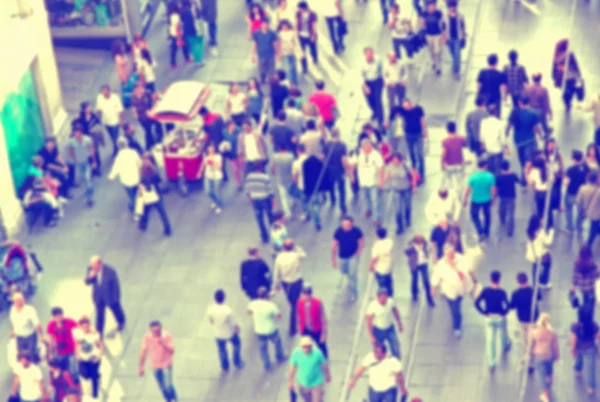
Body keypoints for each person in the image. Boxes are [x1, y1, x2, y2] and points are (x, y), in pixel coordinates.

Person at [431, 244, 474, 338]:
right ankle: (456, 318)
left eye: (451, 253)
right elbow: (436, 276)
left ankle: (457, 327)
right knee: (452, 306)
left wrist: (454, 266)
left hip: (460, 289)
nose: (450, 255)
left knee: (456, 310)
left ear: (454, 252)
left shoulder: (461, 259)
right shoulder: (441, 264)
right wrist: (433, 288)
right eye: (447, 254)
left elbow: (462, 275)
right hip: (448, 290)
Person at [474, 271, 511, 370]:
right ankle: (505, 345)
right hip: (499, 316)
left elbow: (477, 303)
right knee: (503, 331)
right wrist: (503, 313)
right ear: (499, 280)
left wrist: (484, 312)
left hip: (489, 317)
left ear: (490, 279)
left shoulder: (485, 291)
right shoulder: (502, 292)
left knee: (490, 340)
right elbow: (508, 305)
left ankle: (492, 362)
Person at [84, 256, 126, 337]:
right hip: (98, 297)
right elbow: (87, 282)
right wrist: (90, 277)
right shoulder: (91, 270)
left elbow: (115, 286)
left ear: (99, 264)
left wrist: (115, 298)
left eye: (94, 266)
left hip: (110, 296)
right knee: (99, 315)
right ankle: (99, 332)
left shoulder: (110, 272)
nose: (93, 268)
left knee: (116, 310)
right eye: (92, 266)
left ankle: (121, 321)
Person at [248, 287, 286, 370]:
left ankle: (267, 365)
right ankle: (279, 357)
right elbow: (279, 316)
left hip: (259, 330)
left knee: (263, 349)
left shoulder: (252, 304)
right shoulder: (271, 306)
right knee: (277, 343)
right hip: (271, 329)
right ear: (267, 295)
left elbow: (249, 312)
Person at [273, 239, 306, 336]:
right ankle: (294, 325)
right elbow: (304, 255)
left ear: (283, 247)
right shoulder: (296, 256)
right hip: (297, 281)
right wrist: (297, 247)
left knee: (292, 303)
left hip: (286, 283)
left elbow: (276, 271)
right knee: (295, 304)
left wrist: (276, 284)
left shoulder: (279, 258)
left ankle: (293, 325)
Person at [139, 321, 177, 402]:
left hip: (166, 364)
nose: (156, 333)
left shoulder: (166, 336)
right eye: (154, 331)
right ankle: (168, 400)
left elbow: (172, 351)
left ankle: (173, 399)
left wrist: (163, 343)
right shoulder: (147, 337)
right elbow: (143, 351)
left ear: (161, 328)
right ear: (150, 330)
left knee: (168, 385)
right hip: (155, 366)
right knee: (162, 387)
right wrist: (141, 367)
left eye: (158, 330)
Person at [507, 96, 542, 184]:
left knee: (522, 159)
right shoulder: (533, 113)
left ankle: (524, 176)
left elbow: (509, 125)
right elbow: (536, 127)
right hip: (529, 140)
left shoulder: (514, 113)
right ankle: (525, 176)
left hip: (518, 141)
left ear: (520, 102)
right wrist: (540, 135)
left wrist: (506, 133)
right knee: (528, 159)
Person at [510, 272, 540, 373]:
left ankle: (529, 360)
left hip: (522, 320)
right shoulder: (533, 291)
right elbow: (539, 297)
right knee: (531, 340)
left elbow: (512, 306)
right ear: (527, 280)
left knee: (526, 340)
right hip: (533, 319)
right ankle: (531, 360)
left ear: (518, 282)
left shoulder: (516, 293)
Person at [206, 290, 243, 371]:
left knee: (222, 350)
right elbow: (234, 323)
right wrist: (237, 330)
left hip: (218, 333)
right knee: (237, 344)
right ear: (224, 298)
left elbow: (211, 321)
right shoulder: (228, 311)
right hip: (229, 333)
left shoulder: (210, 309)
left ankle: (224, 366)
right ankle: (237, 362)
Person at [393, 98, 428, 182]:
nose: (406, 108)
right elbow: (395, 110)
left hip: (418, 134)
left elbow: (422, 120)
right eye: (405, 106)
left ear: (410, 103)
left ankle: (421, 174)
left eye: (407, 105)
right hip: (408, 135)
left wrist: (425, 130)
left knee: (420, 154)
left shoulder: (418, 109)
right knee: (411, 153)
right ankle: (414, 173)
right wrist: (401, 107)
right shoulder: (404, 111)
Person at [332, 216, 365, 301]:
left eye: (347, 225)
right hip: (342, 256)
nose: (345, 227)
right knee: (344, 271)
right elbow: (334, 245)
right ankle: (348, 277)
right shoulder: (338, 231)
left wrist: (357, 253)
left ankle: (354, 293)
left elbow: (361, 242)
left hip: (353, 256)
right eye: (343, 225)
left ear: (351, 224)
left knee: (352, 274)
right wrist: (333, 259)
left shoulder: (357, 231)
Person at [288, 336, 330, 402]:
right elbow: (292, 369)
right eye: (304, 346)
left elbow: (324, 365)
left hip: (316, 383)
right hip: (303, 384)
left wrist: (328, 375)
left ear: (311, 346)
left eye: (309, 346)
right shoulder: (296, 354)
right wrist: (290, 382)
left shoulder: (317, 353)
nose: (307, 349)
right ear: (301, 346)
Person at [381, 153, 415, 234]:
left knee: (407, 206)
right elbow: (388, 175)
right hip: (396, 189)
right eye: (393, 160)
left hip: (406, 189)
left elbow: (412, 176)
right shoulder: (390, 166)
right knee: (398, 210)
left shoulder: (405, 166)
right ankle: (399, 226)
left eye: (396, 160)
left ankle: (408, 219)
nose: (395, 162)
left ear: (400, 160)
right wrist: (382, 182)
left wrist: (414, 187)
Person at [352, 139, 384, 224]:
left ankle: (377, 217)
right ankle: (368, 209)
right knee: (366, 197)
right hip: (363, 180)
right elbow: (352, 164)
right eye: (366, 147)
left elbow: (380, 167)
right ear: (363, 147)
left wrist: (380, 179)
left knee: (375, 199)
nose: (368, 148)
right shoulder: (358, 153)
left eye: (369, 147)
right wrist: (352, 176)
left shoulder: (376, 154)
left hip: (373, 180)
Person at [463, 159, 496, 241]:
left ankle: (480, 232)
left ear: (478, 166)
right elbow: (493, 189)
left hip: (475, 200)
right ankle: (486, 232)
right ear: (486, 166)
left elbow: (468, 189)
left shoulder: (473, 177)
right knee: (487, 216)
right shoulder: (490, 176)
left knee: (474, 216)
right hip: (486, 199)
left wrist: (465, 199)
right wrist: (493, 199)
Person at [137, 160, 172, 236]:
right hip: (157, 196)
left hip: (147, 199)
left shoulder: (143, 178)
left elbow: (142, 188)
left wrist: (140, 195)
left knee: (145, 212)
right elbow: (160, 181)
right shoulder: (155, 174)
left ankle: (143, 225)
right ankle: (168, 229)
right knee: (162, 213)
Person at [530, 313, 559, 402]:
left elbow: (531, 345)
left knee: (541, 376)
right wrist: (557, 356)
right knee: (549, 370)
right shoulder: (552, 333)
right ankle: (549, 382)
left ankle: (545, 395)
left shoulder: (534, 332)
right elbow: (555, 346)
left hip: (539, 356)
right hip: (549, 355)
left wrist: (531, 354)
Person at [366, 288, 403, 359]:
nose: (384, 299)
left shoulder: (390, 302)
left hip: (390, 329)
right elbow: (369, 321)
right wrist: (371, 336)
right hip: (378, 330)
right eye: (382, 297)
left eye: (385, 296)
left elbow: (395, 311)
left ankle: (396, 362)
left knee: (396, 346)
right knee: (378, 350)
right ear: (378, 297)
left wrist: (399, 323)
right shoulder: (373, 306)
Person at [570, 308, 599, 395]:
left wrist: (573, 349)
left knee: (579, 358)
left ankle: (577, 369)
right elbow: (598, 336)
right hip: (590, 348)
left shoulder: (575, 326)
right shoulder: (594, 325)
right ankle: (590, 387)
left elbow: (573, 339)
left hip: (579, 347)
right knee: (591, 368)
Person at [108, 137, 141, 212]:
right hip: (136, 178)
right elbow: (139, 163)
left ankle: (134, 206)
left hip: (126, 181)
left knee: (131, 195)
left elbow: (115, 168)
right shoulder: (134, 153)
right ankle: (136, 205)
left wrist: (111, 177)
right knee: (136, 193)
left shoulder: (118, 157)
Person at [244, 162, 275, 243]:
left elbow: (247, 189)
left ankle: (264, 237)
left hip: (255, 199)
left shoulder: (249, 177)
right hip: (265, 199)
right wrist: (273, 201)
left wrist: (249, 198)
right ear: (261, 168)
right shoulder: (265, 177)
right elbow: (270, 190)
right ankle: (274, 232)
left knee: (259, 219)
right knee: (270, 216)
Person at [46, 306, 79, 381]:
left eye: (60, 315)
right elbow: (51, 340)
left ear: (63, 314)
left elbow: (79, 329)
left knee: (73, 370)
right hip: (59, 351)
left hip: (71, 350)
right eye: (56, 316)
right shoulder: (51, 325)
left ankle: (75, 385)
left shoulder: (69, 321)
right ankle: (64, 384)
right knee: (60, 369)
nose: (59, 318)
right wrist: (50, 353)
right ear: (53, 317)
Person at [73, 316, 102, 399]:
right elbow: (77, 344)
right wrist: (77, 354)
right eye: (83, 326)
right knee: (85, 375)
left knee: (94, 377)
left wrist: (99, 356)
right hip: (83, 359)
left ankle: (95, 394)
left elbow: (100, 345)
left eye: (87, 325)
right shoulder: (77, 333)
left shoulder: (94, 334)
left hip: (93, 358)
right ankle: (96, 375)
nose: (85, 328)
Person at [9, 293, 44, 362]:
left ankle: (33, 366)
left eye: (21, 299)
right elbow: (14, 322)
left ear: (24, 299)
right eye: (17, 300)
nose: (20, 301)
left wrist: (41, 336)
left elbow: (37, 324)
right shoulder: (12, 309)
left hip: (30, 335)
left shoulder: (30, 310)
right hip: (19, 336)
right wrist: (12, 331)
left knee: (30, 354)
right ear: (13, 301)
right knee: (21, 355)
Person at [67, 124, 96, 207]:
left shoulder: (87, 140)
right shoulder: (71, 141)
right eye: (75, 132)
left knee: (87, 178)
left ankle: (90, 197)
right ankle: (88, 189)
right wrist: (74, 160)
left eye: (78, 132)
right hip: (79, 163)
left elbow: (91, 150)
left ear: (81, 132)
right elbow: (71, 151)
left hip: (87, 161)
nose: (76, 134)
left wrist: (94, 161)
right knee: (85, 178)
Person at [297, 284, 328, 358]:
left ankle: (324, 359)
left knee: (321, 345)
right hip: (305, 329)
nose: (307, 297)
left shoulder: (318, 302)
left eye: (308, 294)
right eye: (305, 294)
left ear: (311, 294)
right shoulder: (300, 302)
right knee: (306, 344)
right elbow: (299, 315)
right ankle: (309, 357)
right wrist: (299, 327)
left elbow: (323, 318)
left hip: (317, 329)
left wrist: (324, 333)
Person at [323, 128, 349, 214]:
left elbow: (323, 157)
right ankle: (342, 206)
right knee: (341, 188)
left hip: (329, 169)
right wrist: (346, 170)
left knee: (331, 186)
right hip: (339, 169)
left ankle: (333, 199)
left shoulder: (326, 145)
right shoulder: (342, 145)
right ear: (338, 135)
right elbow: (344, 159)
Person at [95, 84, 124, 157]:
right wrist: (96, 120)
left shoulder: (115, 98)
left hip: (115, 122)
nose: (103, 93)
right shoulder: (99, 98)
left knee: (115, 137)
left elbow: (120, 110)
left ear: (108, 91)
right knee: (111, 137)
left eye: (105, 91)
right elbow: (99, 109)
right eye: (102, 91)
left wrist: (120, 120)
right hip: (106, 122)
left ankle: (116, 150)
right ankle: (116, 147)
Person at [131, 83, 162, 150]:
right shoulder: (133, 97)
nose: (139, 90)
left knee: (153, 127)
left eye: (140, 88)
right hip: (142, 117)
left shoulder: (147, 93)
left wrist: (152, 110)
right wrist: (135, 115)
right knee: (147, 130)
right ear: (135, 90)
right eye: (137, 89)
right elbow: (133, 107)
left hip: (150, 114)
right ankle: (151, 144)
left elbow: (154, 101)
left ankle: (152, 143)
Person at [405, 235, 434, 306]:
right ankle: (414, 294)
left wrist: (429, 249)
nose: (421, 244)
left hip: (423, 264)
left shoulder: (425, 244)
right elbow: (406, 252)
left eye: (422, 242)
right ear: (417, 242)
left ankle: (429, 299)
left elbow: (428, 250)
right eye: (420, 243)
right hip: (414, 264)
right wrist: (413, 249)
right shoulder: (412, 246)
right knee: (414, 279)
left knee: (426, 281)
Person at [564, 150, 589, 232]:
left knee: (568, 209)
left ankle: (569, 227)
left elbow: (566, 183)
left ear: (574, 159)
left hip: (571, 193)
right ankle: (578, 226)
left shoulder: (570, 169)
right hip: (582, 195)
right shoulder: (585, 167)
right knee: (581, 211)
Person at [525, 215, 553, 289]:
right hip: (540, 254)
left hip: (532, 254)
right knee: (547, 264)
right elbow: (548, 242)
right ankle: (544, 281)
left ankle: (535, 283)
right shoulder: (540, 232)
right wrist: (551, 232)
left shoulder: (529, 231)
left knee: (534, 268)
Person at [479, 104, 507, 175]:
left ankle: (491, 183)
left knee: (490, 168)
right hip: (498, 150)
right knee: (497, 169)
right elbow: (503, 139)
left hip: (489, 149)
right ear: (496, 112)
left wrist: (484, 143)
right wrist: (505, 147)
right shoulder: (499, 123)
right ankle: (497, 184)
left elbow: (481, 136)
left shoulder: (484, 122)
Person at [252, 18, 280, 84]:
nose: (265, 26)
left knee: (271, 70)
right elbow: (255, 44)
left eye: (267, 24)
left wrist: (277, 53)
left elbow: (275, 43)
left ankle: (271, 81)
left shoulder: (272, 33)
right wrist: (253, 55)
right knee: (262, 69)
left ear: (269, 25)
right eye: (264, 24)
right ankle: (262, 80)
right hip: (261, 54)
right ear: (261, 25)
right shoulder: (257, 33)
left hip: (271, 54)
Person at [441, 121, 467, 193]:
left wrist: (442, 164)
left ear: (447, 130)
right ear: (456, 129)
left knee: (449, 183)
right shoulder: (460, 139)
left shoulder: (445, 141)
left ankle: (451, 196)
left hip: (449, 165)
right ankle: (459, 198)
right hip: (459, 164)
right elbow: (465, 145)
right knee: (460, 183)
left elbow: (443, 154)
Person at [572, 246, 599, 312]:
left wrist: (572, 291)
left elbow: (575, 281)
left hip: (581, 292)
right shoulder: (593, 266)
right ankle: (589, 320)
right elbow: (597, 276)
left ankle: (581, 320)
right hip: (591, 291)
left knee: (581, 309)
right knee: (590, 310)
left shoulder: (577, 265)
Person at [362, 47, 385, 126]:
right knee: (369, 101)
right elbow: (361, 76)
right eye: (368, 54)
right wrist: (365, 86)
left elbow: (381, 69)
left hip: (377, 81)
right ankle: (375, 112)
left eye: (371, 54)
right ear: (365, 55)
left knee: (378, 101)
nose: (370, 56)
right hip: (367, 82)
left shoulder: (378, 59)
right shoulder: (362, 63)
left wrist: (383, 79)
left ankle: (381, 121)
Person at [420, 0, 444, 75]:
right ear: (427, 7)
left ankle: (438, 67)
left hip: (437, 34)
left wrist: (443, 36)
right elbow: (422, 24)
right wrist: (422, 24)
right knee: (431, 50)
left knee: (437, 51)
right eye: (430, 6)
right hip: (428, 35)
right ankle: (433, 61)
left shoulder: (438, 13)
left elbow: (443, 24)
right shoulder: (424, 14)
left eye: (433, 6)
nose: (431, 8)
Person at [496, 160, 519, 237]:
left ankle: (502, 220)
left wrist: (494, 197)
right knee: (510, 214)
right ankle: (510, 231)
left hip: (502, 197)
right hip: (511, 197)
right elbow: (519, 181)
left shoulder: (499, 177)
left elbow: (496, 188)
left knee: (501, 210)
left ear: (501, 168)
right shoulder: (513, 175)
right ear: (509, 167)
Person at [369, 227, 395, 296]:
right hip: (388, 268)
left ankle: (383, 298)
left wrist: (371, 266)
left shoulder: (376, 246)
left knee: (382, 286)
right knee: (389, 285)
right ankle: (390, 298)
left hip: (380, 269)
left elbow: (374, 258)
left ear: (377, 235)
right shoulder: (390, 242)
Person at [444, 5, 466, 79]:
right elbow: (443, 28)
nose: (453, 8)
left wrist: (463, 38)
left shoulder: (460, 16)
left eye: (454, 7)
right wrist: (444, 38)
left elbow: (463, 27)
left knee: (457, 55)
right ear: (448, 8)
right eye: (451, 7)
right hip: (449, 38)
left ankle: (456, 71)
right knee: (452, 53)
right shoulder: (445, 16)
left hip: (457, 38)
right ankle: (455, 63)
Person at [296, 1, 318, 74]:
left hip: (310, 35)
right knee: (302, 52)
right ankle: (304, 67)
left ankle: (314, 59)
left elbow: (314, 24)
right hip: (301, 35)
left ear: (304, 8)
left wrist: (314, 35)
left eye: (300, 8)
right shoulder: (298, 13)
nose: (299, 10)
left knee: (313, 49)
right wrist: (296, 33)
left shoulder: (312, 14)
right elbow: (297, 22)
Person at [383, 51, 407, 120]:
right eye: (391, 57)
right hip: (391, 85)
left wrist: (404, 80)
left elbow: (405, 72)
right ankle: (392, 114)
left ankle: (401, 113)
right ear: (388, 58)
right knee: (391, 100)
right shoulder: (386, 65)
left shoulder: (401, 63)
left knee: (401, 99)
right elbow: (384, 75)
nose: (393, 58)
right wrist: (389, 82)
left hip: (400, 84)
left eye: (394, 57)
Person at [203, 143, 224, 214]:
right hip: (208, 176)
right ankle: (215, 201)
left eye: (212, 147)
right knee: (208, 191)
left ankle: (219, 205)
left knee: (216, 192)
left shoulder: (218, 156)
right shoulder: (206, 156)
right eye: (209, 147)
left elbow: (219, 167)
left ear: (214, 148)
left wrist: (212, 162)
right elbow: (204, 164)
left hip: (217, 177)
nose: (211, 149)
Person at [167, 2, 190, 68]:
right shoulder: (175, 16)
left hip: (173, 34)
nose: (178, 5)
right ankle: (175, 62)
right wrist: (182, 24)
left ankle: (175, 62)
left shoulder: (170, 15)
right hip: (177, 34)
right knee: (176, 48)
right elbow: (177, 25)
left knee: (180, 47)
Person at [278, 20, 299, 86]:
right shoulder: (279, 34)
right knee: (287, 69)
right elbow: (279, 44)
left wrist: (298, 50)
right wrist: (279, 53)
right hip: (284, 53)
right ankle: (290, 82)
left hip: (292, 52)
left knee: (294, 67)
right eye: (283, 26)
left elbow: (296, 42)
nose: (284, 27)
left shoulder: (292, 33)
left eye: (285, 26)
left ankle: (295, 82)